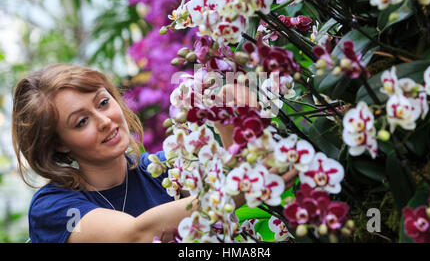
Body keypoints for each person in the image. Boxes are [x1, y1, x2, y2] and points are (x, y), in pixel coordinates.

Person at [12, 63, 298, 243]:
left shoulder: (164, 169)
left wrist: (230, 125)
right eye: (81, 121)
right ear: (60, 143)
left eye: (102, 102)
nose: (104, 121)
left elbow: (243, 186)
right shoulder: (52, 207)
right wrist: (235, 191)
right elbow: (135, 234)